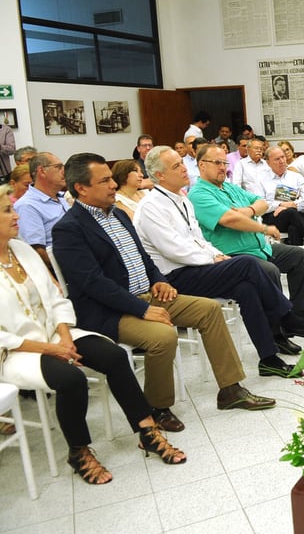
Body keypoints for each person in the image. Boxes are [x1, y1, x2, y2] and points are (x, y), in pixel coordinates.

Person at [52, 153, 276, 434]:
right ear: (81, 188)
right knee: (163, 336)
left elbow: (144, 257)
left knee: (209, 310)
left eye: (111, 178)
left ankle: (230, 390)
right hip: (110, 310)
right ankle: (157, 407)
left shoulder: (119, 214)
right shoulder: (69, 229)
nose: (113, 185)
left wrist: (158, 280)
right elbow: (92, 283)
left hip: (147, 293)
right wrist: (143, 309)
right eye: (105, 180)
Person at [0, 185, 186, 484]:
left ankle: (146, 429)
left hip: (56, 333)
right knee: (71, 378)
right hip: (16, 351)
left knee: (113, 355)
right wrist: (52, 349)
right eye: (8, 210)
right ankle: (79, 450)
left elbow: (57, 298)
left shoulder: (21, 251)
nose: (15, 214)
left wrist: (63, 335)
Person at [134, 146, 304, 376]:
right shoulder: (152, 206)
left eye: (181, 163)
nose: (184, 168)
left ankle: (268, 358)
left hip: (198, 265)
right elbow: (174, 249)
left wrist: (214, 255)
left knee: (247, 288)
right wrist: (212, 259)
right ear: (159, 175)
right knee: (248, 264)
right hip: (175, 277)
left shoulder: (180, 199)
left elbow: (197, 239)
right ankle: (287, 316)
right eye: (177, 166)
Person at [188, 144, 304, 317]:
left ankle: (299, 311)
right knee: (270, 270)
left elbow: (261, 201)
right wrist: (264, 228)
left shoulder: (229, 187)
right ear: (202, 165)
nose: (222, 167)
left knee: (298, 256)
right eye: (217, 163)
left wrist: (248, 211)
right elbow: (230, 220)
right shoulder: (199, 194)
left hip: (259, 248)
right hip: (235, 255)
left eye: (225, 163)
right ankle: (278, 327)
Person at [259, 145, 304, 255]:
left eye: (283, 157)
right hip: (274, 217)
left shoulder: (296, 177)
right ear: (268, 162)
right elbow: (262, 204)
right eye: (277, 159)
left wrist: (288, 206)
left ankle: (295, 260)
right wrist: (281, 204)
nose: (282, 161)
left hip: (296, 214)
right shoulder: (261, 179)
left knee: (294, 227)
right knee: (291, 213)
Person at [13, 152, 70, 269]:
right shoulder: (27, 205)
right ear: (42, 171)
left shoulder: (61, 198)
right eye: (58, 167)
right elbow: (36, 251)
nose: (64, 171)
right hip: (62, 269)